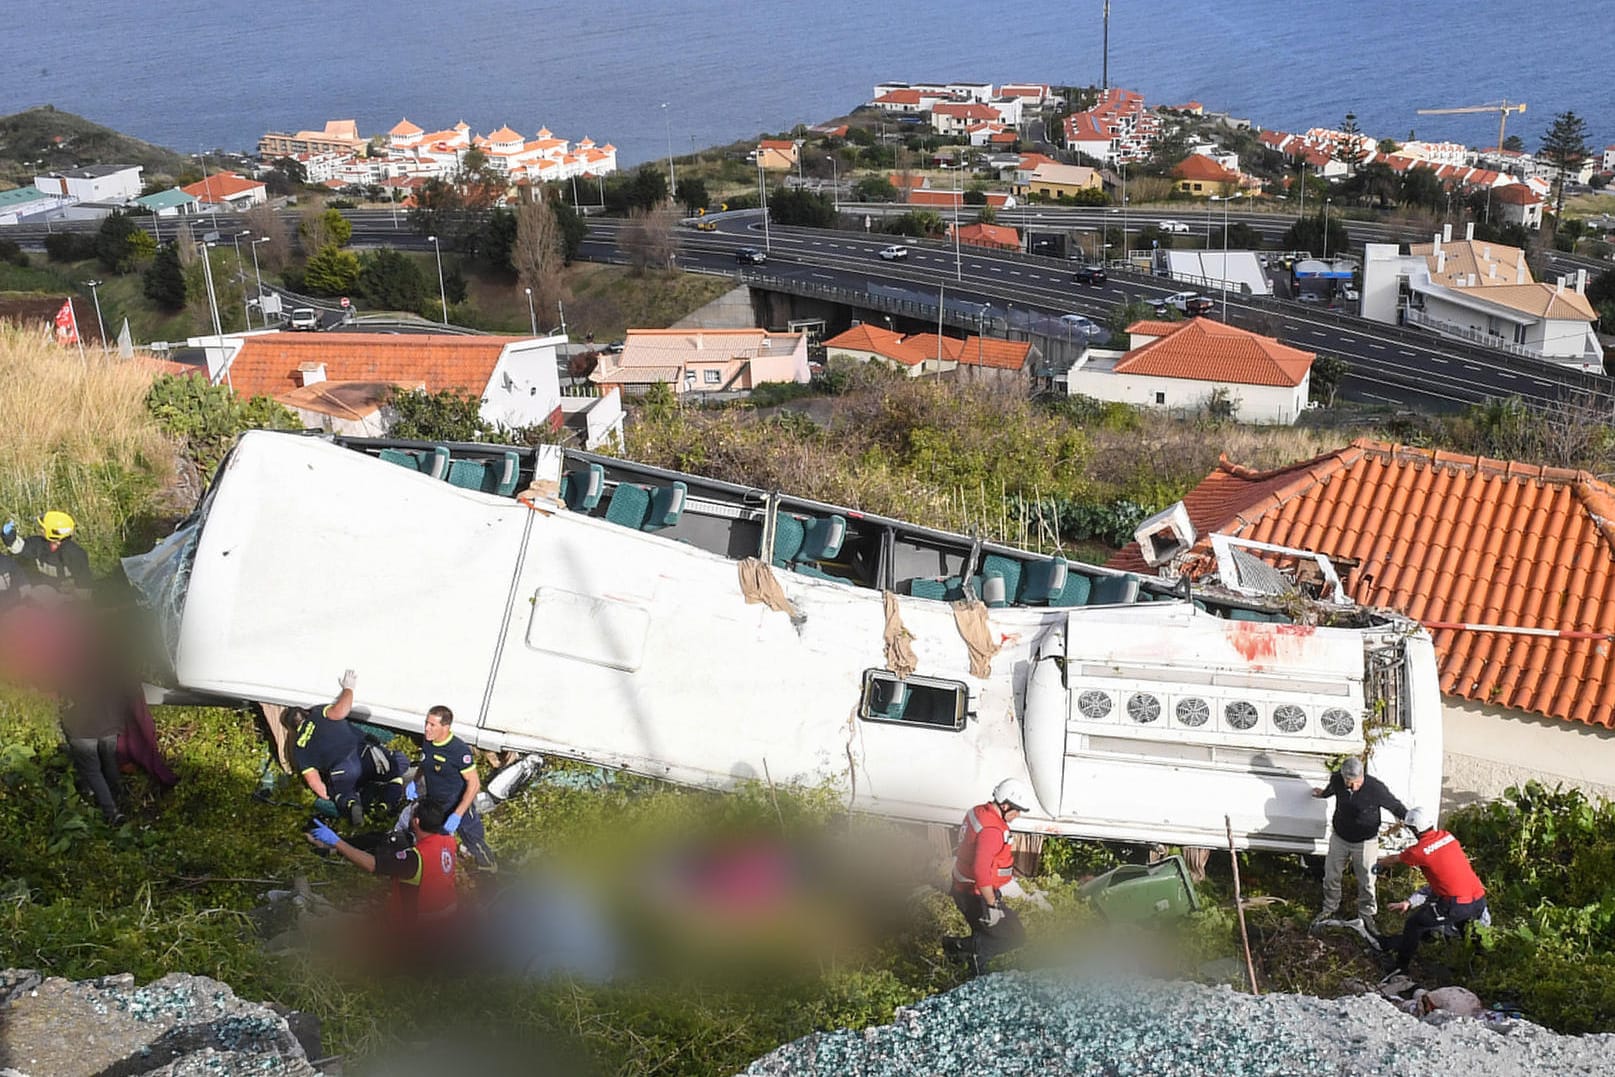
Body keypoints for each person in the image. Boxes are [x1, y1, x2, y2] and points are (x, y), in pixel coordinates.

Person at [305, 798, 460, 931]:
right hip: (445, 915)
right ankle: (313, 905)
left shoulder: (414, 859)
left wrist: (337, 842)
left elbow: (372, 865)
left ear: (416, 821)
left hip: (414, 927)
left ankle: (307, 917)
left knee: (343, 927)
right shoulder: (449, 841)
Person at [1375, 807, 1488, 979]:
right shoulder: (1447, 836)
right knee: (1466, 930)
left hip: (1456, 903)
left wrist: (1380, 863)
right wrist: (1411, 901)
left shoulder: (1418, 852)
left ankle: (1400, 968)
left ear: (1414, 830)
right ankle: (1479, 970)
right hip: (1478, 899)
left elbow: (1395, 859)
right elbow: (1443, 881)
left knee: (1415, 924)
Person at [290, 670, 407, 826]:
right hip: (366, 754)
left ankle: (352, 803)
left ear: (292, 729)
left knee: (342, 793)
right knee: (396, 768)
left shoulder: (298, 747)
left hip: (343, 770)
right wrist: (348, 688)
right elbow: (341, 710)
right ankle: (386, 804)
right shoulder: (319, 713)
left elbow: (315, 784)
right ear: (305, 713)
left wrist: (330, 796)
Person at [1310, 756, 1407, 936]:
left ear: (1362, 775)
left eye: (1356, 782)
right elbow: (1332, 789)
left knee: (1367, 881)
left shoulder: (1375, 788)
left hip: (1365, 842)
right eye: (1349, 782)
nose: (1352, 786)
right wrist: (1323, 794)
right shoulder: (1338, 780)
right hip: (1340, 837)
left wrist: (1410, 819)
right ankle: (1330, 907)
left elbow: (1394, 805)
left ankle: (1367, 914)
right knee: (1331, 875)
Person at [946, 777, 1032, 975]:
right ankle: (962, 950)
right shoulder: (992, 830)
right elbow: (981, 870)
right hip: (976, 893)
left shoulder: (978, 812)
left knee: (990, 931)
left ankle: (968, 959)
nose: (1017, 815)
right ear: (1004, 805)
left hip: (966, 888)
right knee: (1012, 936)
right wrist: (992, 905)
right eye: (1016, 810)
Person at [413, 705, 495, 870]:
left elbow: (474, 783)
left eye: (432, 725)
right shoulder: (428, 741)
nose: (427, 728)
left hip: (457, 805)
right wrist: (415, 781)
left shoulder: (458, 750)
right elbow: (425, 762)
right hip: (435, 805)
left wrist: (458, 814)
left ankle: (490, 870)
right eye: (426, 723)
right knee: (429, 840)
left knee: (474, 841)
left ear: (445, 727)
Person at [4, 513, 93, 594]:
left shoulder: (75, 554)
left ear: (53, 532)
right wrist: (9, 537)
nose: (41, 529)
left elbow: (84, 584)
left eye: (43, 528)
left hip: (68, 597)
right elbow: (19, 548)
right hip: (45, 591)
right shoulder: (38, 543)